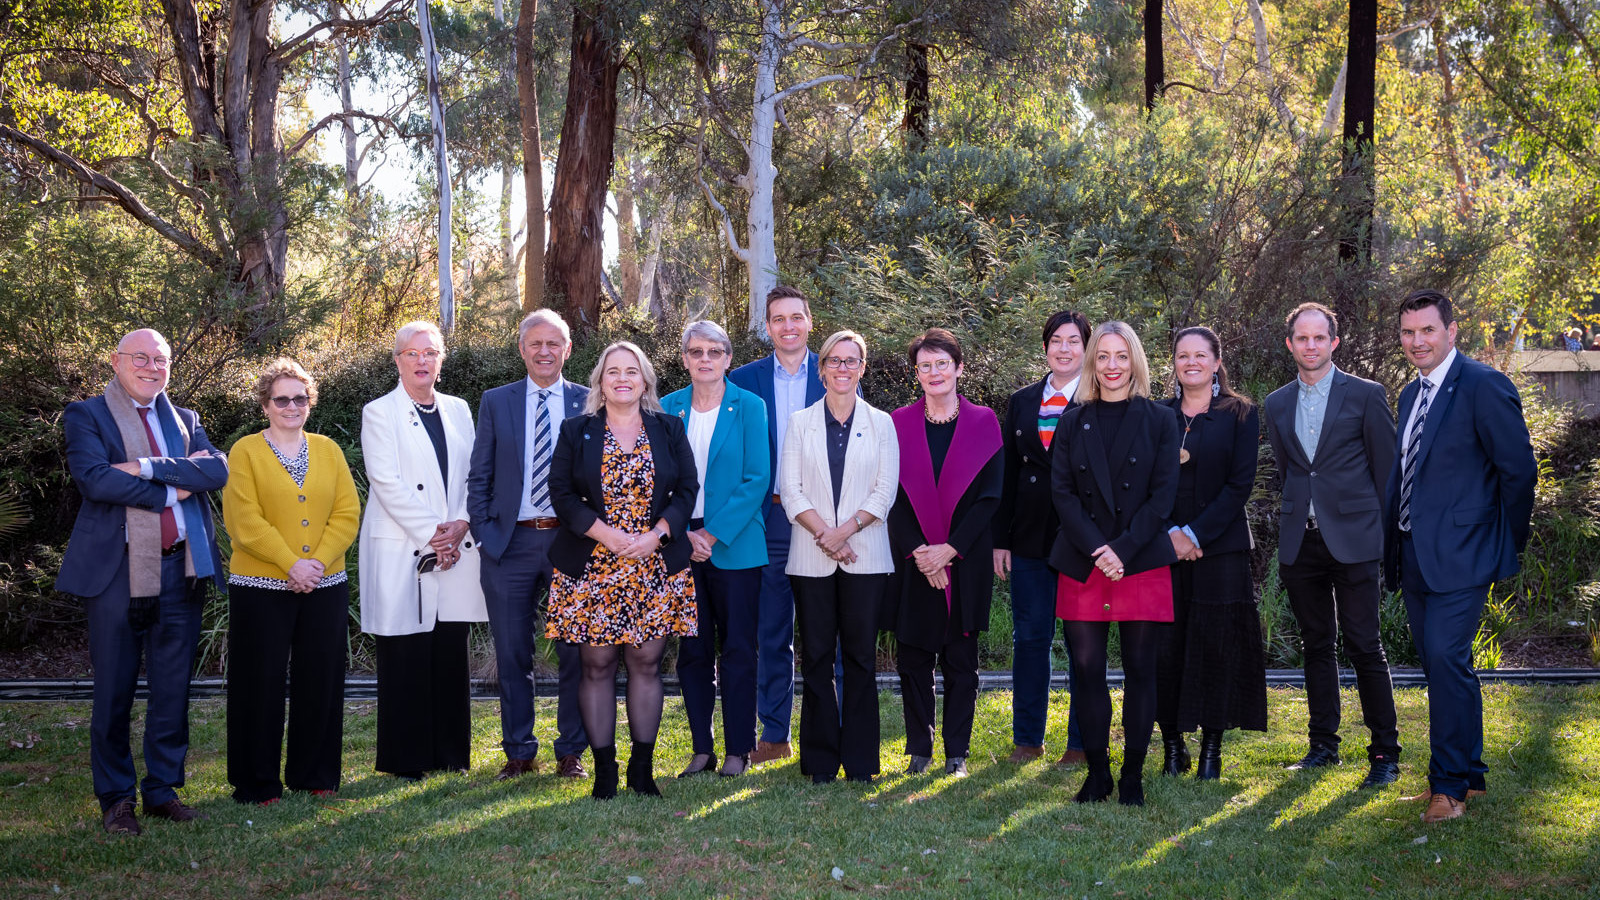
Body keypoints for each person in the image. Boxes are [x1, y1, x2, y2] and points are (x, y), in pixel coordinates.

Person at [58, 328, 229, 835]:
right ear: (116, 361)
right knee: (114, 689)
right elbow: (96, 479)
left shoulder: (185, 418)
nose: (153, 367)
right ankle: (116, 799)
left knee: (173, 687)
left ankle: (161, 791)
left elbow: (217, 470)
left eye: (162, 359)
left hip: (182, 568)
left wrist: (148, 467)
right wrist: (173, 490)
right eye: (141, 358)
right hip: (118, 572)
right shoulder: (86, 415)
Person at [1385, 289, 1535, 823]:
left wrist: (1502, 544)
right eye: (1408, 332)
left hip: (1465, 554)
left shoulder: (1483, 385)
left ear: (1452, 331)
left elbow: (1518, 473)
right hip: (1415, 554)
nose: (1417, 341)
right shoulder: (1409, 395)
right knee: (1444, 666)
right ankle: (1471, 775)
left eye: (1427, 330)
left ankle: (1445, 790)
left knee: (1445, 662)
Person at [546, 341, 699, 800]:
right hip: (594, 562)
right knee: (596, 665)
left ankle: (641, 768)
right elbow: (561, 493)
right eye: (613, 372)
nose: (622, 379)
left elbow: (687, 490)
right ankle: (604, 771)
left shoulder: (669, 428)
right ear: (600, 382)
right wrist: (606, 536)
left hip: (652, 563)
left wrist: (657, 536)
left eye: (631, 371)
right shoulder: (577, 430)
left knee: (646, 663)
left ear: (645, 380)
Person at [1264, 303, 1403, 789]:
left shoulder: (1366, 395)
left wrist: (1391, 539)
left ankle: (1385, 751)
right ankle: (1323, 745)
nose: (1310, 345)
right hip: (1301, 544)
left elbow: (1387, 473)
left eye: (1319, 338)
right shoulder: (1277, 404)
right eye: (1301, 338)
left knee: (1366, 644)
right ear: (1289, 345)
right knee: (1316, 644)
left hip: (1358, 540)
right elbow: (1291, 472)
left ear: (1334, 343)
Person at [1050, 321, 1180, 807]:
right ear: (1091, 363)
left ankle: (1132, 777)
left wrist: (1123, 549)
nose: (1111, 366)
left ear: (1136, 361)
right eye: (1102, 356)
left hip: (1139, 558)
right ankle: (1098, 773)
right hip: (1085, 561)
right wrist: (1098, 549)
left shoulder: (1160, 420)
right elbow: (1061, 492)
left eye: (1121, 356)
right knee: (1087, 670)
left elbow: (1163, 496)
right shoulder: (1072, 419)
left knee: (1141, 669)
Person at [222, 358, 360, 804]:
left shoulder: (327, 450)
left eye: (299, 398)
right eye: (281, 399)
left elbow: (346, 513)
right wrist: (290, 564)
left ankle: (314, 773)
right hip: (261, 586)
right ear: (266, 404)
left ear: (309, 402)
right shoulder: (245, 451)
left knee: (320, 679)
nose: (291, 406)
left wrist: (315, 563)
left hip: (324, 583)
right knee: (258, 682)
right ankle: (256, 782)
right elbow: (244, 521)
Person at [358, 321, 487, 779]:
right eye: (411, 353)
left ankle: (451, 756)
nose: (421, 361)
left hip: (455, 546)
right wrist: (434, 536)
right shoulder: (379, 412)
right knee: (405, 654)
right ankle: (405, 759)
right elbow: (387, 482)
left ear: (441, 359)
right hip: (405, 547)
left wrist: (461, 524)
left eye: (430, 352)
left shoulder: (458, 409)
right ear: (397, 360)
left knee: (449, 652)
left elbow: (475, 474)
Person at [467, 310, 591, 781]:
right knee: (513, 651)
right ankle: (519, 751)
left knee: (575, 651)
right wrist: (483, 533)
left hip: (572, 542)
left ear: (567, 349)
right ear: (521, 349)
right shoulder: (497, 402)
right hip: (509, 543)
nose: (544, 352)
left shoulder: (588, 402)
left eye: (553, 343)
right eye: (535, 344)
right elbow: (480, 475)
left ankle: (570, 751)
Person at [779, 330, 898, 784]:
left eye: (852, 361)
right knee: (816, 658)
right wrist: (825, 535)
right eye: (835, 360)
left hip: (865, 556)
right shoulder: (799, 422)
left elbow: (884, 491)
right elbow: (791, 490)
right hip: (810, 558)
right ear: (821, 368)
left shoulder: (882, 423)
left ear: (862, 369)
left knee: (862, 660)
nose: (843, 369)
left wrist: (843, 532)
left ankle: (863, 762)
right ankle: (821, 761)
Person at [888, 328, 1003, 778]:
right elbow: (889, 496)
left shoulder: (984, 422)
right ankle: (919, 747)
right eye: (925, 365)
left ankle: (957, 748)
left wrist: (949, 551)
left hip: (966, 559)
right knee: (914, 659)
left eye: (942, 364)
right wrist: (922, 552)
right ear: (915, 373)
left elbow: (990, 498)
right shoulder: (896, 423)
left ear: (958, 368)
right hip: (914, 560)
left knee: (961, 661)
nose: (934, 372)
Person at [1155, 327, 1267, 781]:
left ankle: (1211, 751)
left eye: (1201, 355)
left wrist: (1194, 535)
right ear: (1174, 364)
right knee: (1166, 646)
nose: (1192, 363)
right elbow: (1146, 483)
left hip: (1220, 548)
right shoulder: (1157, 414)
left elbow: (1239, 486)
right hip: (1162, 547)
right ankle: (1173, 747)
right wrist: (1171, 536)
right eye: (1183, 355)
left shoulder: (1240, 413)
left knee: (1216, 646)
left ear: (1217, 361)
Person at [662, 321, 770, 778]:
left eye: (714, 351)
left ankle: (739, 749)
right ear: (684, 358)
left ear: (728, 358)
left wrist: (711, 535)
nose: (705, 359)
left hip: (736, 542)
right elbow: (659, 480)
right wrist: (685, 533)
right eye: (696, 351)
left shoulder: (750, 406)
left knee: (740, 649)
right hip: (680, 540)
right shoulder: (667, 409)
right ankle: (702, 749)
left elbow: (756, 479)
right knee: (693, 650)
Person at [728, 285, 826, 765]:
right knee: (771, 630)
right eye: (778, 319)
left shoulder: (835, 375)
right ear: (766, 327)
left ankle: (830, 730)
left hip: (821, 520)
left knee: (824, 628)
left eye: (796, 317)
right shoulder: (743, 380)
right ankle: (774, 734)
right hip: (764, 516)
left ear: (809, 322)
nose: (788, 326)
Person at [995, 309, 1092, 766]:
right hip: (1029, 539)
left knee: (1081, 642)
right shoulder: (1022, 401)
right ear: (1045, 346)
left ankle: (1080, 743)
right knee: (1030, 638)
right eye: (1057, 340)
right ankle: (1028, 739)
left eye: (1074, 340)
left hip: (1081, 542)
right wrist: (1000, 539)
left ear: (1086, 348)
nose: (1065, 348)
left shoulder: (1099, 399)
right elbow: (1008, 474)